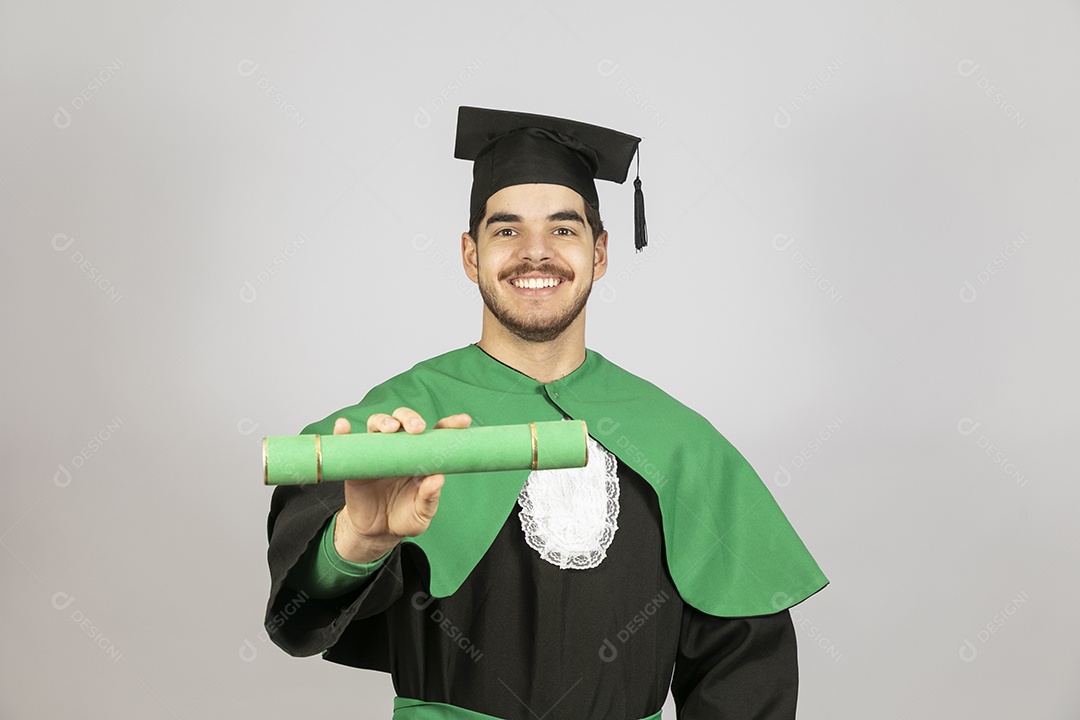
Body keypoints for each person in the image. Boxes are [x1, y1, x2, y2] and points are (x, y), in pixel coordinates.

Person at [263, 106, 828, 719]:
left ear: (600, 252)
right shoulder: (397, 430)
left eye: (563, 229)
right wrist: (360, 541)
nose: (536, 253)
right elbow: (298, 623)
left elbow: (746, 672)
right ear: (471, 255)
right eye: (507, 231)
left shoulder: (680, 443)